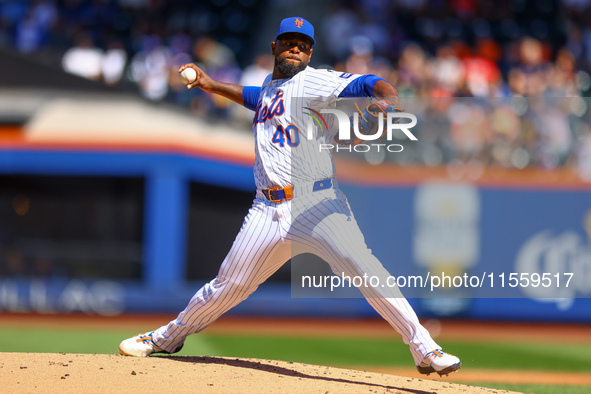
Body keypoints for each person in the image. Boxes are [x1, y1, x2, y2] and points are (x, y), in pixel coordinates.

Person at [119, 17, 461, 377]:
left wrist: (386, 103)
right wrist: (210, 84)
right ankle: (167, 338)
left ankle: (425, 348)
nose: (295, 48)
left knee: (366, 270)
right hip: (266, 209)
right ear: (274, 47)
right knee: (227, 285)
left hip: (317, 205)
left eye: (302, 44)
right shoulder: (269, 85)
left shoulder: (316, 80)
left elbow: (371, 83)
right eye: (288, 41)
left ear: (310, 52)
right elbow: (255, 97)